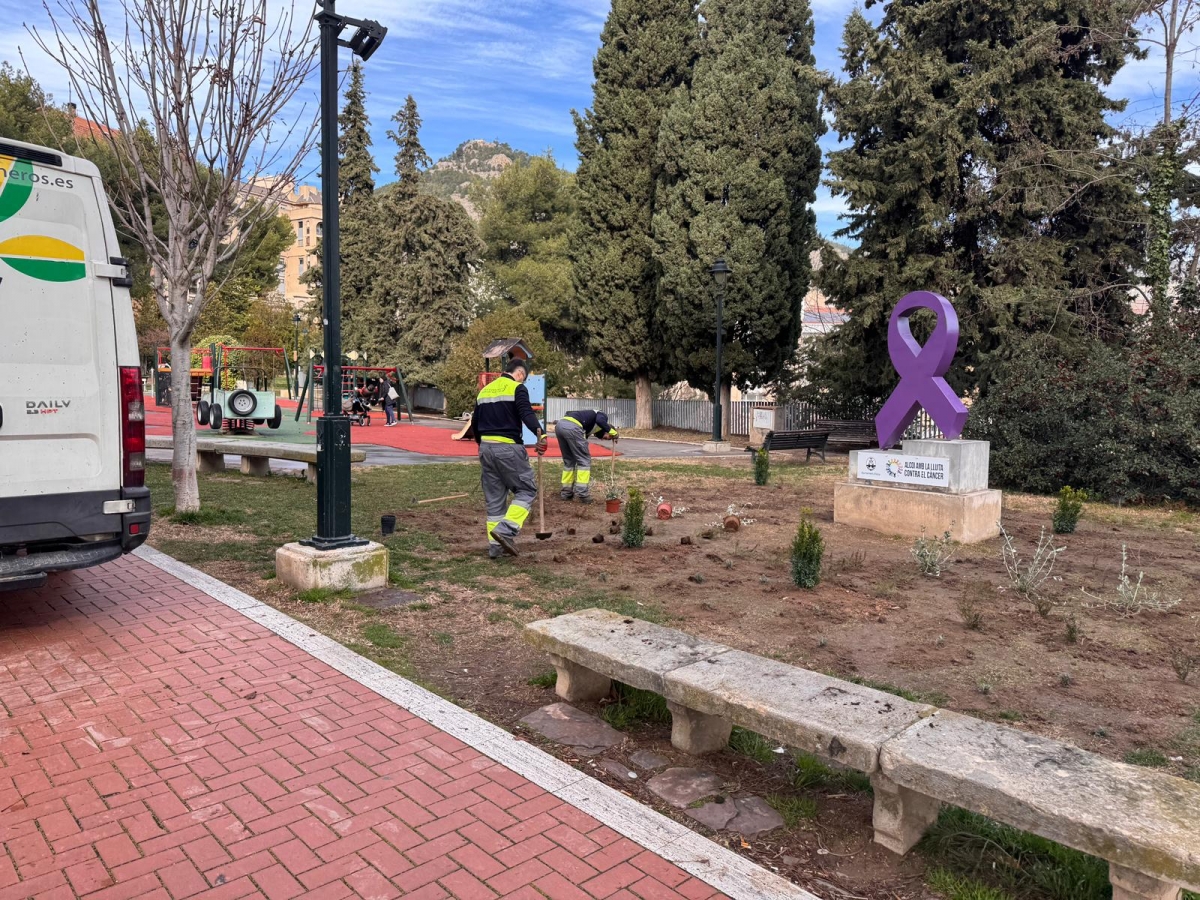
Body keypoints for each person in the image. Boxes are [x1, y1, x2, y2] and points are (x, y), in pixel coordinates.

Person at [469, 358, 547, 558]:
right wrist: (542, 434)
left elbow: (475, 423)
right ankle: (505, 530)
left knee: (495, 501)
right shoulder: (517, 388)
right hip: (508, 448)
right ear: (520, 374)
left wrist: (483, 447)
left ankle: (495, 548)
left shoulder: (485, 391)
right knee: (527, 489)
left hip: (485, 448)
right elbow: (526, 414)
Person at [554, 409, 618, 502]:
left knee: (569, 461)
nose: (607, 439)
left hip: (560, 426)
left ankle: (566, 492)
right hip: (573, 427)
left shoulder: (589, 424)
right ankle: (582, 494)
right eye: (609, 437)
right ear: (606, 428)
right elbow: (600, 421)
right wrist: (614, 433)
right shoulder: (601, 415)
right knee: (584, 461)